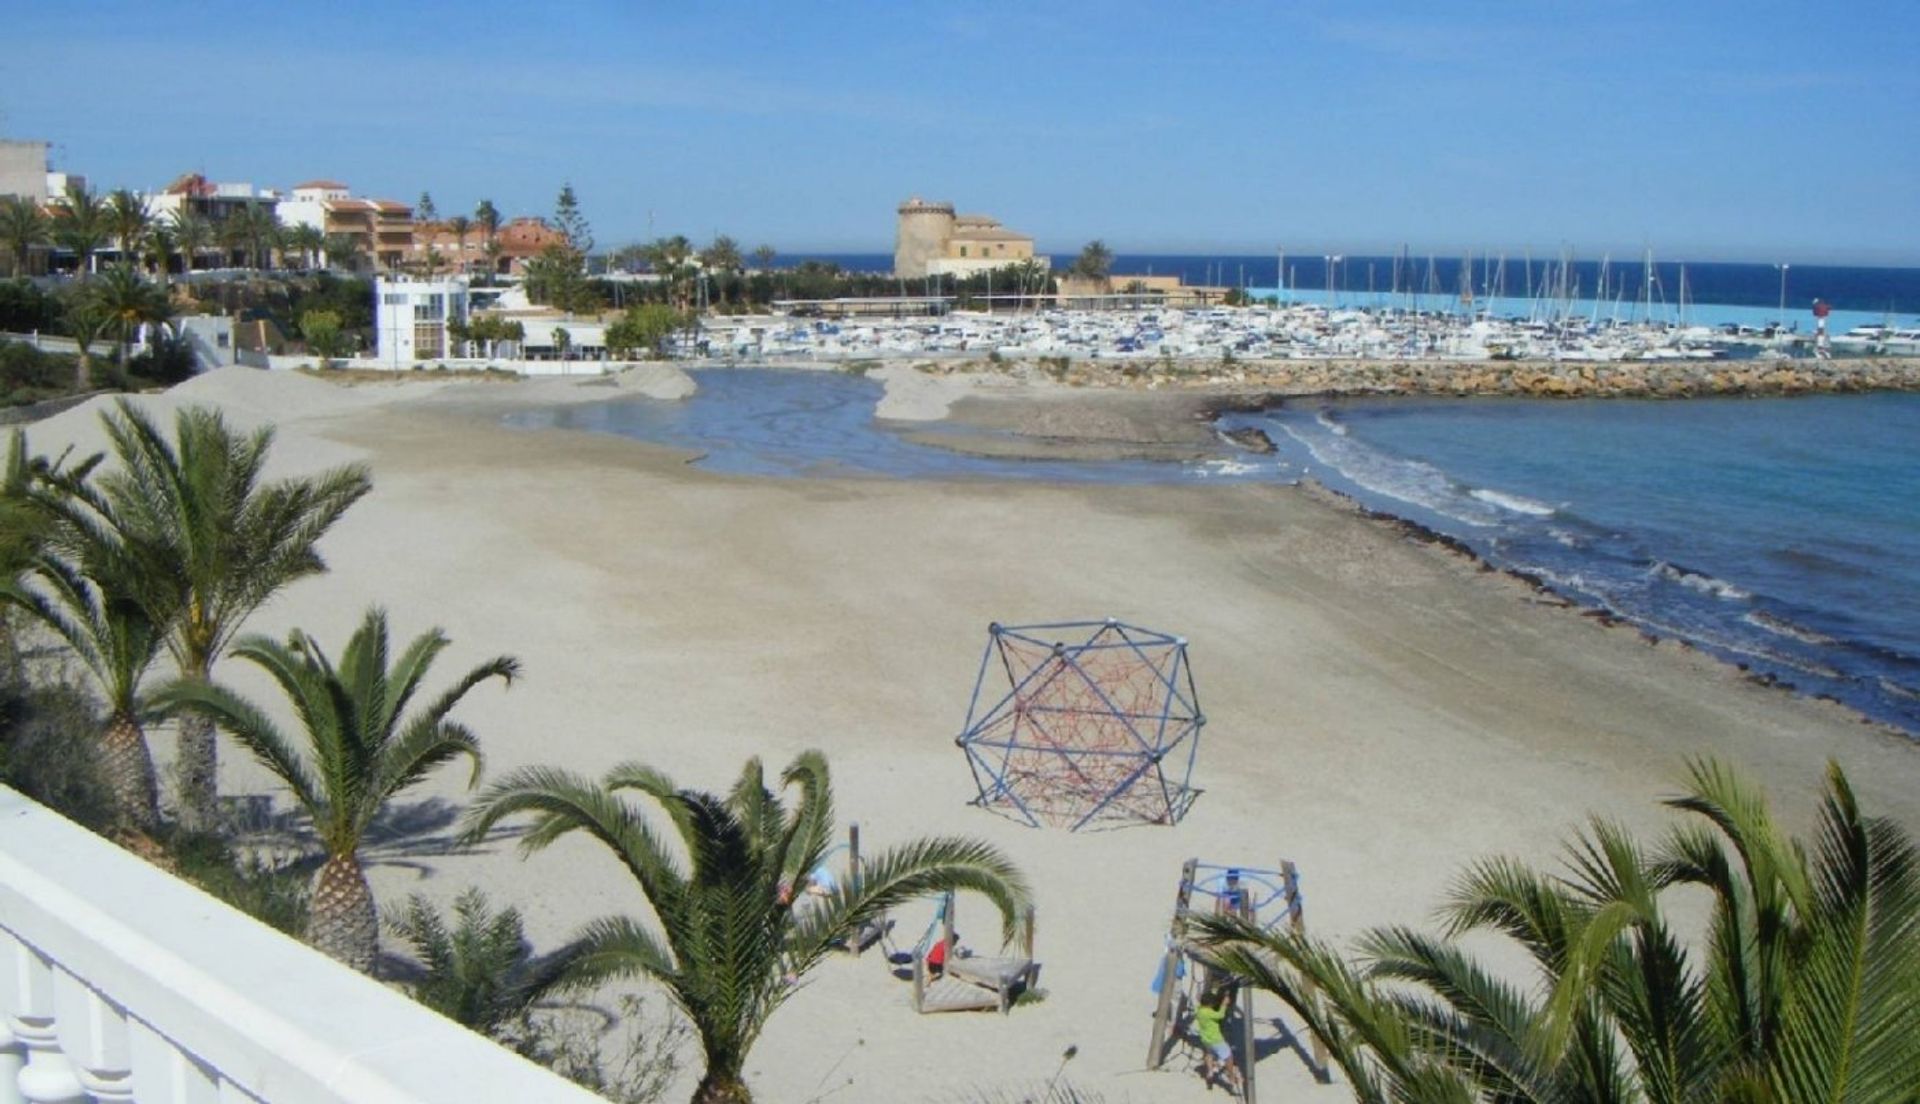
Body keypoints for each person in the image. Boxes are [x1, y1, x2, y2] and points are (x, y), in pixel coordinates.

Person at [1193, 987, 1246, 1096]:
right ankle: (1231, 1077)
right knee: (1229, 1056)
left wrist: (1199, 999)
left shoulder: (1199, 1010)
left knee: (1209, 1054)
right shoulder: (1209, 1012)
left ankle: (1210, 1071)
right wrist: (1224, 1004)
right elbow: (1220, 1015)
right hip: (1216, 1039)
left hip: (1205, 1039)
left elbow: (1198, 1004)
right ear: (1209, 1005)